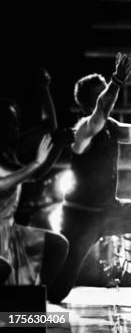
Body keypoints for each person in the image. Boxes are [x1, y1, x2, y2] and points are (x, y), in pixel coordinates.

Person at [47, 53, 131, 305]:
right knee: (55, 293)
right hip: (80, 220)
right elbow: (99, 113)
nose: (107, 96)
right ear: (89, 103)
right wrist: (116, 80)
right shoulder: (83, 130)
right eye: (102, 93)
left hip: (109, 211)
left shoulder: (111, 126)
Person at [1, 94, 68, 287]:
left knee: (58, 245)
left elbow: (49, 127)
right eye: (10, 123)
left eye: (16, 122)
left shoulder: (11, 149)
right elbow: (4, 184)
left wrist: (45, 91)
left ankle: (36, 298)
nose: (16, 127)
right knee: (3, 268)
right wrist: (36, 162)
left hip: (9, 231)